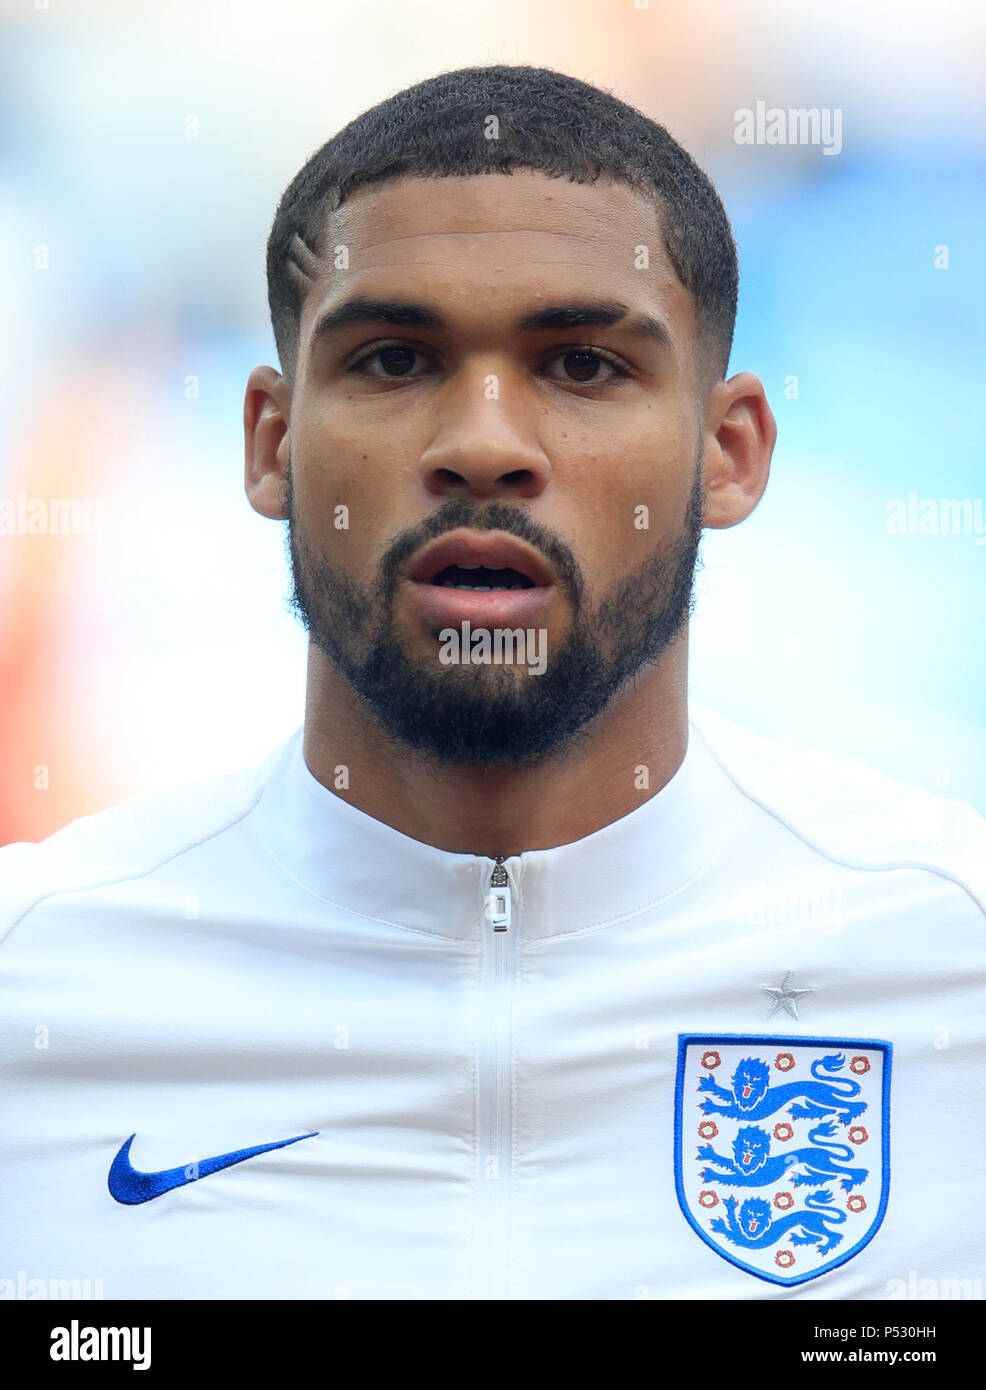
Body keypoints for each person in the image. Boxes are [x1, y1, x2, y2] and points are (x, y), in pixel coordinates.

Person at [1, 65, 983, 1301]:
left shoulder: (952, 958)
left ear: (727, 456)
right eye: (395, 358)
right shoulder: (34, 982)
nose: (481, 446)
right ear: (270, 443)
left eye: (580, 365)